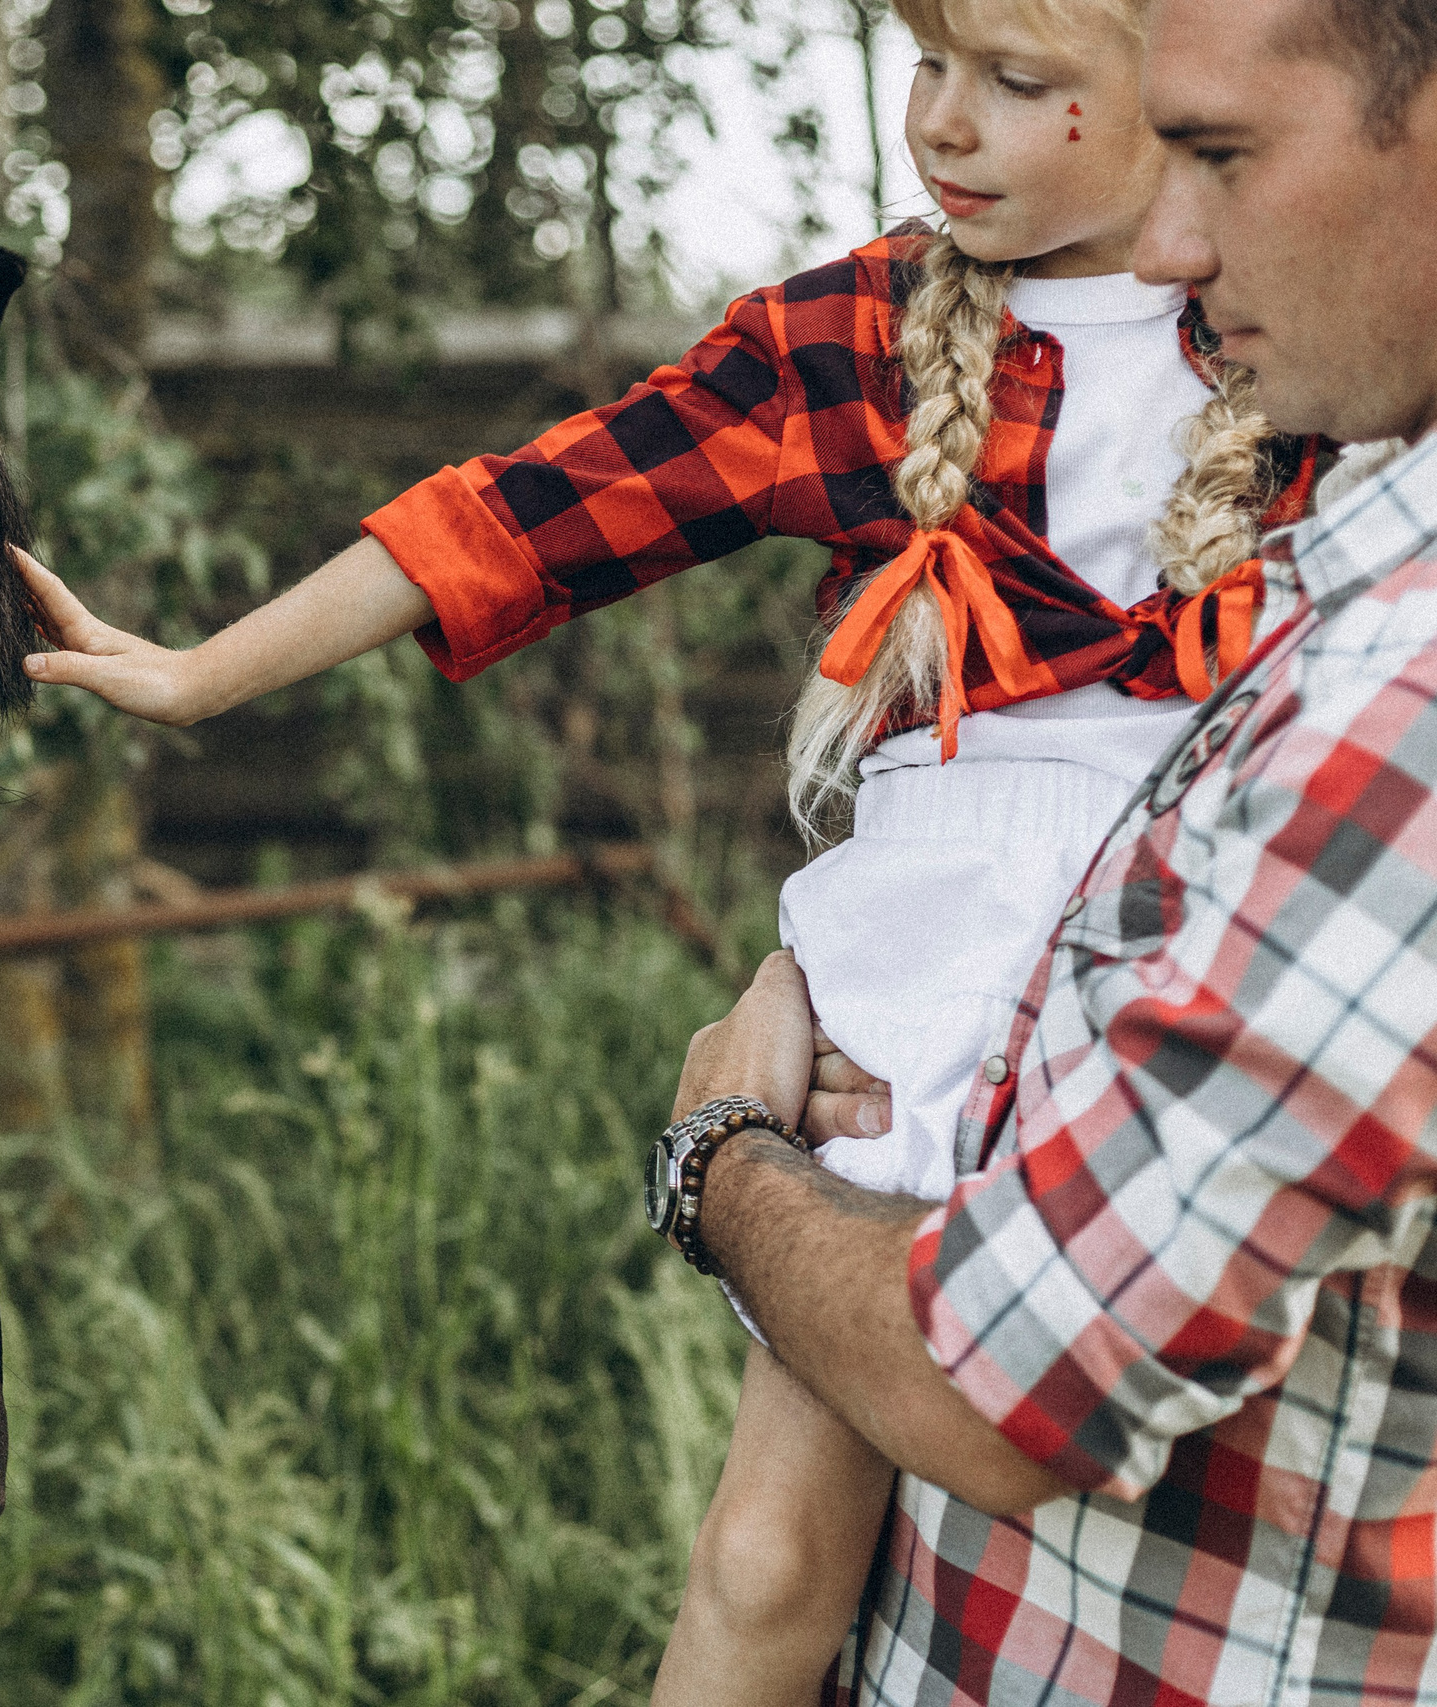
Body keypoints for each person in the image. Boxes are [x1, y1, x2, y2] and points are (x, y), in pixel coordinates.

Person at [17, 0, 1322, 1695]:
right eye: (929, 63)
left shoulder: (1316, 320)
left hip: (1206, 930)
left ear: (1183, 81)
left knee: (1178, 1488)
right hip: (926, 965)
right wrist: (203, 674)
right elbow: (535, 512)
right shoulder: (859, 339)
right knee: (768, 1557)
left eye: (1016, 82)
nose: (941, 121)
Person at [659, 0, 1437, 1698]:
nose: (1164, 249)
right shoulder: (1340, 587)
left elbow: (1004, 1388)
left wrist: (717, 1149)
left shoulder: (1404, 701)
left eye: (1221, 155)